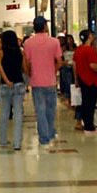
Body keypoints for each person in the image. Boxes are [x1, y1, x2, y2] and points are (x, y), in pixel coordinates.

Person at [23, 16, 62, 146]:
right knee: (51, 109)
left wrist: (30, 74)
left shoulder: (28, 43)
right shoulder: (54, 42)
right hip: (50, 81)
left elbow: (26, 63)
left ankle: (44, 137)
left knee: (40, 110)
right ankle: (50, 133)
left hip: (36, 82)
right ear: (45, 26)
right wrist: (53, 70)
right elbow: (59, 61)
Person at [73, 29, 97, 135]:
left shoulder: (79, 49)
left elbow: (75, 65)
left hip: (82, 78)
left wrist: (76, 79)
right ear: (89, 37)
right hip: (91, 80)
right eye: (92, 36)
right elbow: (93, 65)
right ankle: (89, 126)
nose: (93, 37)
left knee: (85, 101)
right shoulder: (90, 50)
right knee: (90, 103)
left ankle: (88, 124)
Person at [0, 30, 28, 150]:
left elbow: (0, 68)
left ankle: (3, 140)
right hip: (19, 84)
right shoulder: (21, 52)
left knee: (4, 113)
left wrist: (6, 80)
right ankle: (17, 143)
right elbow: (25, 69)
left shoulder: (0, 52)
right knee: (18, 114)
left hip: (6, 86)